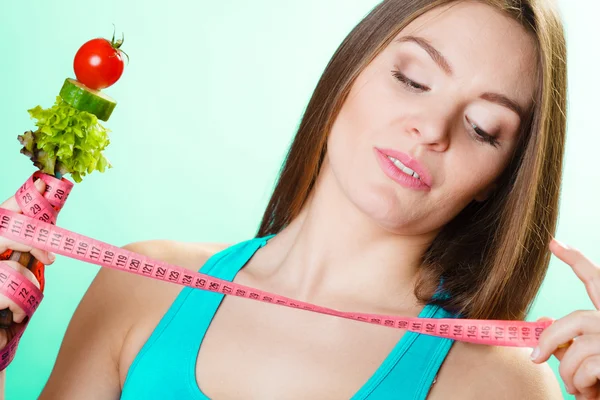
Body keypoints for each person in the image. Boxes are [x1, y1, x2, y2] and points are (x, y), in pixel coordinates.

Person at [0, 0, 596, 398]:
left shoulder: (501, 385)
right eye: (412, 79)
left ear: (500, 178)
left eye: (483, 127)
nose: (432, 128)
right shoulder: (138, 291)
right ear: (350, 72)